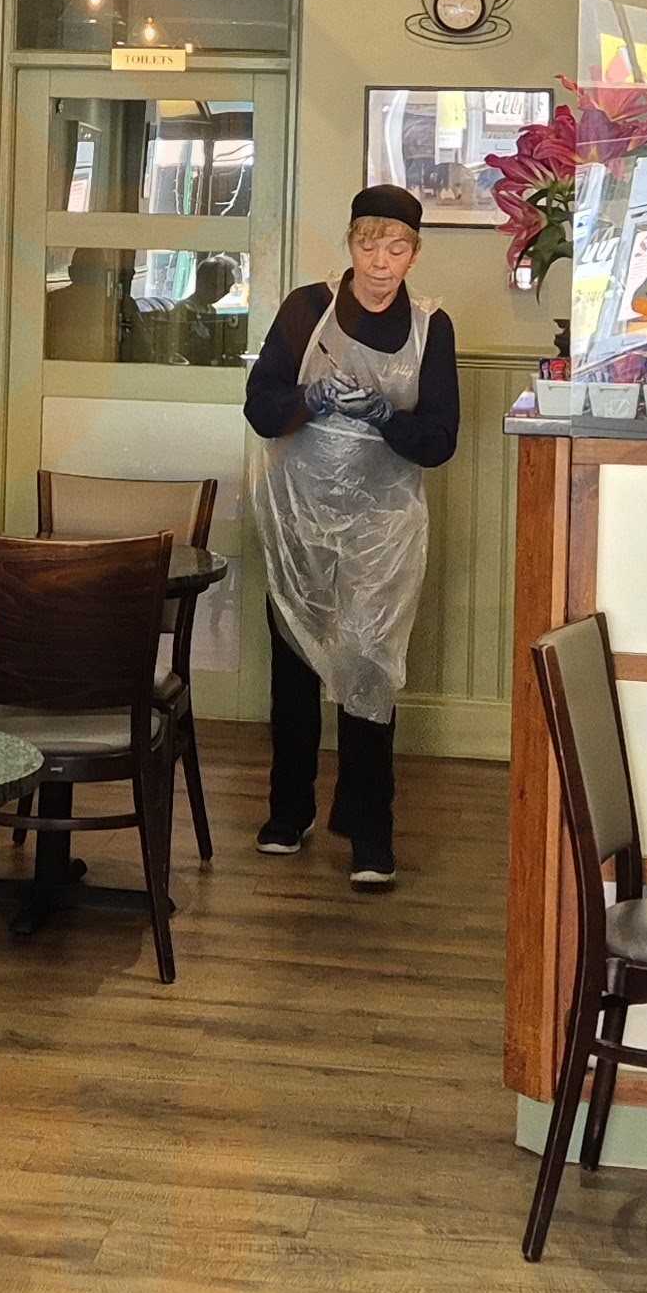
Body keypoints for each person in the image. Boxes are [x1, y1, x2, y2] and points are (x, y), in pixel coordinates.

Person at [244, 186, 460, 888]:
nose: (380, 262)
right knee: (294, 667)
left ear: (414, 254)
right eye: (369, 245)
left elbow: (439, 442)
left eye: (396, 248)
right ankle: (289, 812)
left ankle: (370, 832)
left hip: (382, 531)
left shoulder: (431, 328)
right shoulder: (305, 309)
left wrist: (385, 416)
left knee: (370, 668)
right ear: (350, 246)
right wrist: (310, 398)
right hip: (298, 519)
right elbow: (260, 407)